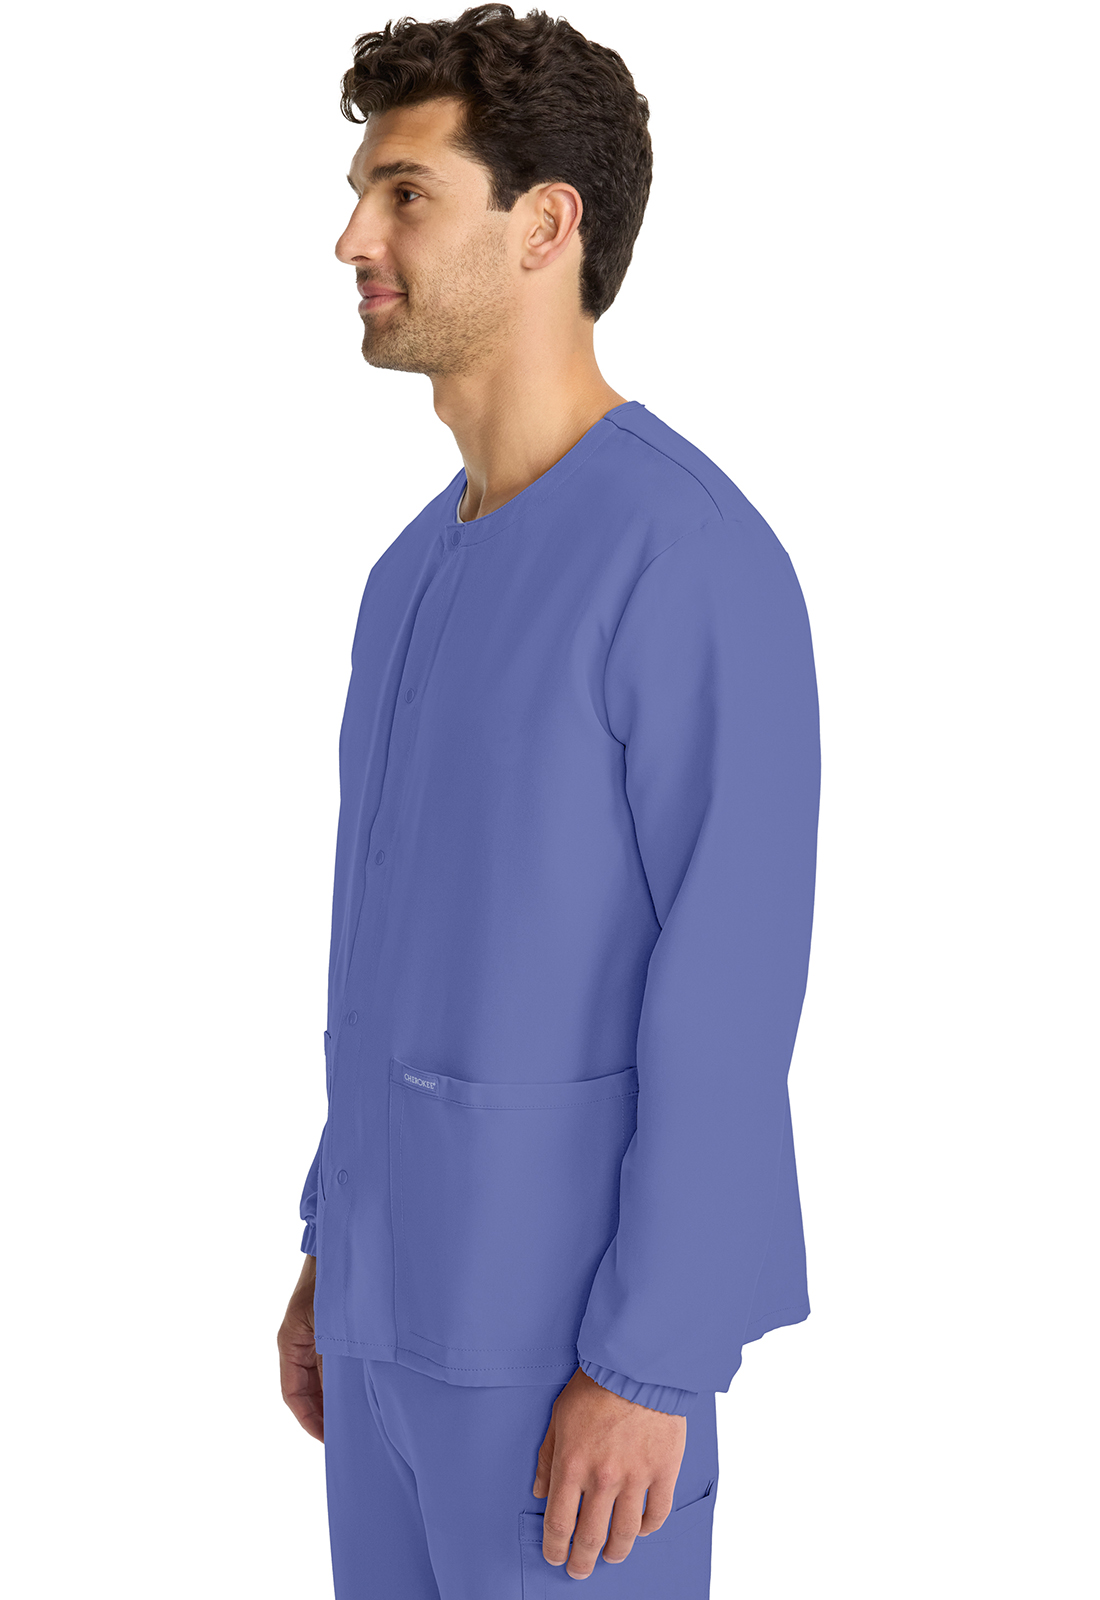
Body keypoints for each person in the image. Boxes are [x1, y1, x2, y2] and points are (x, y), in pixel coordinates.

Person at [276, 6, 821, 1595]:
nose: (353, 240)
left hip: (568, 1371)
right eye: (362, 196)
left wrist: (657, 1361)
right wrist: (332, 1248)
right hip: (385, 1329)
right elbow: (398, 954)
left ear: (545, 226)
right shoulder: (409, 574)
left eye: (405, 194)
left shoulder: (687, 560)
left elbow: (732, 989)